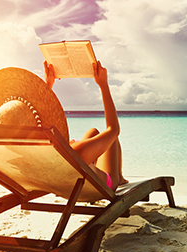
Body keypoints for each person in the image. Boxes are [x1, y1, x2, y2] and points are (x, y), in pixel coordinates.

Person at [44, 61, 127, 191]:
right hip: (101, 185)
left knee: (93, 131)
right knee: (111, 138)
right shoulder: (76, 151)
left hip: (68, 176)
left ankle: (111, 172)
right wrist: (103, 85)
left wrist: (48, 86)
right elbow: (113, 129)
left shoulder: (42, 149)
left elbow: (41, 118)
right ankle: (119, 177)